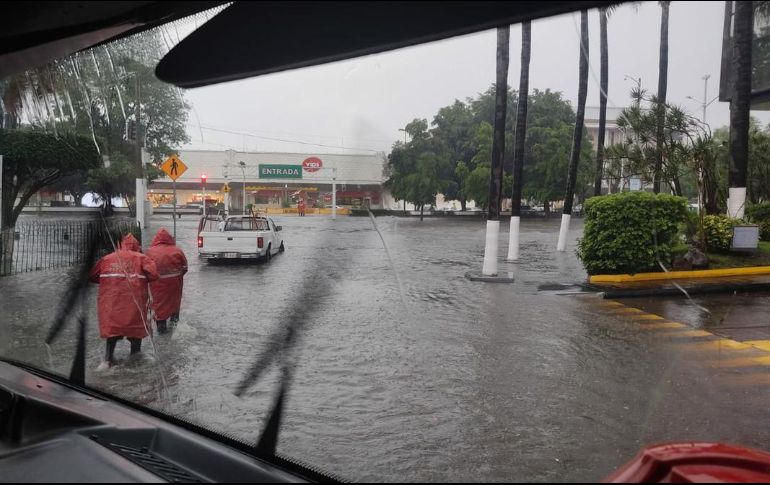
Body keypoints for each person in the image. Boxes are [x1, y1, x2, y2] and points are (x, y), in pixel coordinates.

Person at [90, 233, 159, 369]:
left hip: (111, 307)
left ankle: (107, 360)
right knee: (135, 334)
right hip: (134, 307)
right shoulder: (141, 259)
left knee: (112, 333)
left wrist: (109, 281)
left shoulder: (107, 259)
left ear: (121, 244)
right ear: (136, 246)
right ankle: (134, 360)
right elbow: (154, 275)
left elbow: (92, 275)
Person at [146, 228, 188, 334]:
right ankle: (174, 327)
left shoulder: (150, 252)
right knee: (174, 306)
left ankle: (161, 331)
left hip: (157, 286)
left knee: (159, 308)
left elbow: (146, 270)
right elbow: (185, 267)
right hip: (175, 285)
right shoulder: (177, 250)